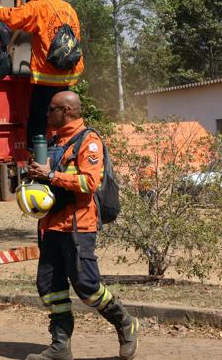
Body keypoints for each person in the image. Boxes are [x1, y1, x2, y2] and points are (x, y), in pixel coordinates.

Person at [26, 91, 138, 360]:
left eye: (51, 109)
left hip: (78, 225)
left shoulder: (89, 141)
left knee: (87, 285)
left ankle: (125, 322)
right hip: (51, 225)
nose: (47, 114)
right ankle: (60, 346)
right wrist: (35, 174)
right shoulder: (55, 140)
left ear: (64, 111)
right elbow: (50, 180)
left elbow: (90, 183)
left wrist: (51, 174)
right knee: (50, 287)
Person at [0, 0, 84, 148]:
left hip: (47, 77)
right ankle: (63, 150)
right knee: (63, 118)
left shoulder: (38, 6)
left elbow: (12, 18)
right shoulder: (69, 8)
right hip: (67, 76)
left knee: (38, 119)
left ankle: (36, 156)